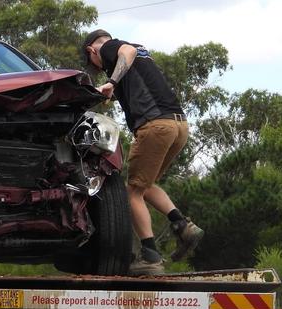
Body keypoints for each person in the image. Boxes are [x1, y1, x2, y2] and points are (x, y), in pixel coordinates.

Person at [81, 29, 204, 273]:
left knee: (132, 192)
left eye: (93, 63)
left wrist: (111, 81)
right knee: (145, 186)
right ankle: (183, 226)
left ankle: (150, 258)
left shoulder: (110, 47)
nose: (99, 67)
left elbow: (126, 52)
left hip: (155, 126)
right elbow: (136, 84)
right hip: (178, 125)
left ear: (91, 51)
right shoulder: (142, 54)